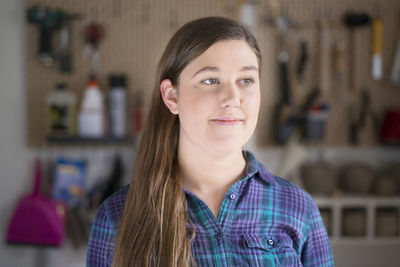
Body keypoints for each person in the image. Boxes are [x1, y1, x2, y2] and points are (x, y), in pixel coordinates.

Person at [87, 16, 334, 267]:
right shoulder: (117, 217)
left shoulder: (298, 208)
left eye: (246, 80)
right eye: (210, 80)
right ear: (172, 97)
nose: (232, 97)